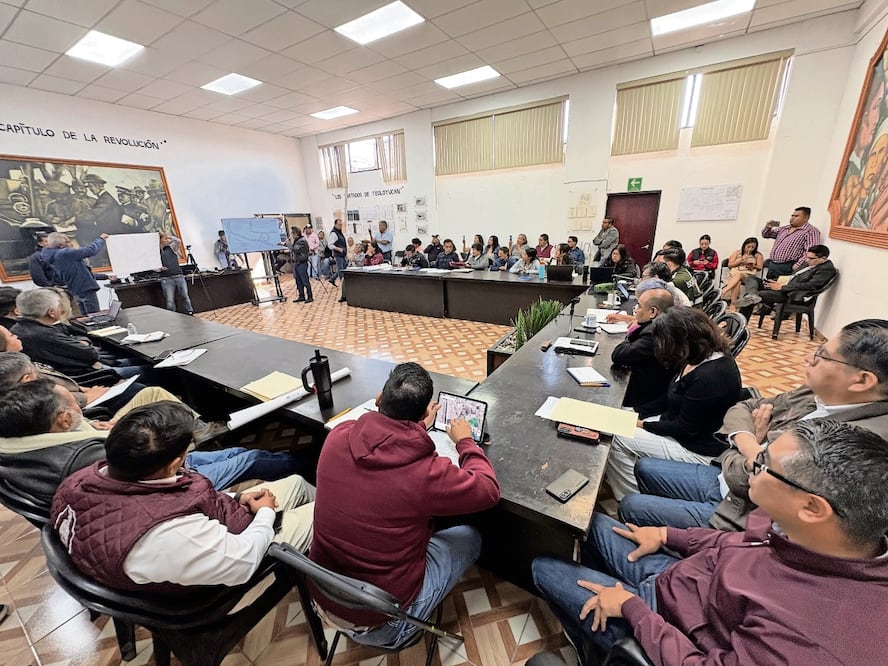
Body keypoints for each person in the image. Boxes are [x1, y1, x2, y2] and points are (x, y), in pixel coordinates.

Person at [532, 419, 888, 666]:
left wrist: (631, 608)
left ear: (812, 507)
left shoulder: (810, 639)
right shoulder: (812, 532)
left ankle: (594, 646)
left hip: (664, 624)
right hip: (679, 576)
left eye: (763, 463)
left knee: (542, 567)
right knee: (585, 518)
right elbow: (735, 541)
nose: (751, 464)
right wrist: (669, 536)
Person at [619, 318, 888, 532]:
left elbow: (746, 480)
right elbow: (743, 407)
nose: (809, 359)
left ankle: (684, 549)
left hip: (741, 515)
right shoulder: (813, 393)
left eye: (822, 355)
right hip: (727, 477)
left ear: (862, 381)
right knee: (645, 467)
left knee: (631, 506)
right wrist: (755, 446)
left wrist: (752, 449)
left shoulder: (860, 444)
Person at [311, 363, 500, 648]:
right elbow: (488, 490)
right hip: (383, 620)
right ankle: (408, 625)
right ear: (425, 414)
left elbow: (383, 444)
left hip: (325, 595)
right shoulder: (425, 473)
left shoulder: (337, 436)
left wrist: (413, 428)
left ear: (378, 399)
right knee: (470, 537)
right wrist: (465, 443)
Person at [50, 401, 316, 591]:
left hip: (218, 525)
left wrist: (236, 499)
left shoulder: (79, 481)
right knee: (327, 511)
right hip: (239, 555)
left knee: (296, 483)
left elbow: (182, 503)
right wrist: (267, 514)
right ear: (172, 465)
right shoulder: (165, 534)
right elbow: (243, 562)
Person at [605, 308, 742, 500]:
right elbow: (671, 397)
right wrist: (637, 412)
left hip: (697, 449)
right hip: (678, 427)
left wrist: (641, 424)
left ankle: (631, 496)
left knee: (617, 436)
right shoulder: (698, 359)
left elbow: (685, 429)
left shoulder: (712, 376)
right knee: (619, 415)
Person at [11, 288, 142, 379]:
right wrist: (83, 343)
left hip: (85, 368)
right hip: (90, 376)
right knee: (151, 370)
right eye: (58, 305)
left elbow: (73, 332)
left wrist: (82, 342)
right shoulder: (40, 334)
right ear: (51, 312)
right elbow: (90, 354)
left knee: (133, 360)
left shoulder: (24, 327)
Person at [609, 288, 674, 410]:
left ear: (652, 312)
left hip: (643, 403)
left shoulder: (655, 334)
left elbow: (619, 355)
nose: (636, 311)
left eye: (638, 306)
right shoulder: (666, 324)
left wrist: (632, 330)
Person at [735, 244, 837, 319]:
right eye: (807, 257)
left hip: (789, 294)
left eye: (811, 258)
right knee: (751, 278)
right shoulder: (809, 263)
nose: (807, 260)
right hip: (783, 286)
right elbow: (793, 276)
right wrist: (777, 282)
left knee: (757, 295)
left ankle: (737, 326)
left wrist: (782, 287)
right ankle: (751, 295)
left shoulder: (826, 269)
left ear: (823, 258)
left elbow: (811, 285)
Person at [41, 231, 110, 314]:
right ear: (61, 243)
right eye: (67, 241)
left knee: (85, 317)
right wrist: (101, 239)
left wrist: (105, 276)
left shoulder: (53, 255)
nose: (71, 244)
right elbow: (91, 250)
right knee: (94, 316)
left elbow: (79, 273)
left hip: (75, 289)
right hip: (85, 288)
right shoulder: (64, 253)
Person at [761, 206, 821, 278]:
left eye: (796, 216)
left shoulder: (811, 231)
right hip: (773, 264)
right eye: (792, 215)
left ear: (806, 218)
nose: (792, 218)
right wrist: (768, 226)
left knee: (780, 287)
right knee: (768, 285)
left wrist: (797, 265)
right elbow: (766, 235)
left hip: (788, 266)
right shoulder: (785, 228)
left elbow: (811, 251)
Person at [156, 232, 194, 315]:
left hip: (178, 276)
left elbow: (178, 241)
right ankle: (172, 315)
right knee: (169, 299)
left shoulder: (171, 248)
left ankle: (189, 311)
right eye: (165, 239)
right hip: (166, 278)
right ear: (160, 240)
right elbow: (153, 266)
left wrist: (168, 236)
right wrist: (159, 269)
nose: (167, 240)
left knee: (185, 296)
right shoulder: (155, 252)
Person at [721, 236, 764, 303]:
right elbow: (730, 265)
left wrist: (753, 266)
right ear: (744, 245)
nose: (750, 249)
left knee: (739, 275)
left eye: (753, 247)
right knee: (738, 281)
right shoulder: (737, 253)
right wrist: (738, 262)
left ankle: (724, 290)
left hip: (748, 275)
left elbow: (760, 267)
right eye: (748, 247)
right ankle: (733, 304)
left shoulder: (758, 255)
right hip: (735, 272)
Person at [289, 227, 313, 304]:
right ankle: (301, 296)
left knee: (305, 280)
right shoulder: (297, 241)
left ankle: (310, 296)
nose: (292, 235)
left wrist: (287, 244)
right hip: (297, 263)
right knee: (298, 281)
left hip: (302, 263)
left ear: (296, 233)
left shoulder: (301, 241)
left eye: (292, 233)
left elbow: (295, 249)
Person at [328, 219, 348, 303]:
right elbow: (330, 245)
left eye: (341, 225)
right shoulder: (333, 233)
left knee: (343, 269)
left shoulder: (339, 232)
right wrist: (338, 249)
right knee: (341, 273)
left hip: (342, 255)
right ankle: (343, 293)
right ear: (335, 224)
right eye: (339, 225)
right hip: (338, 255)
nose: (340, 226)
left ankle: (332, 279)